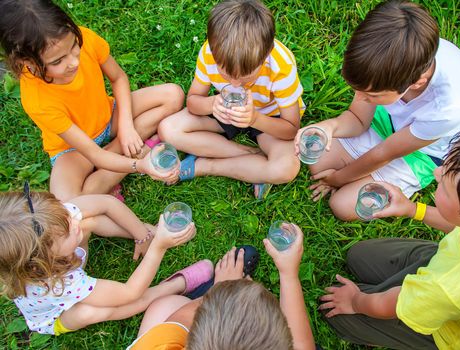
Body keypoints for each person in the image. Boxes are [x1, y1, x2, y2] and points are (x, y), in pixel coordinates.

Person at [318, 121, 460, 349]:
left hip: (445, 331)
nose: (436, 173)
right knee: (359, 256)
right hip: (443, 261)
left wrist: (356, 302)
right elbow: (458, 226)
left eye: (445, 185)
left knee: (339, 314)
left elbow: (388, 306)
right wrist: (412, 209)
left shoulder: (449, 288)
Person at [294, 0, 460, 220]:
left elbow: (384, 153)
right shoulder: (395, 57)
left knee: (343, 205)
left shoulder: (449, 107)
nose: (361, 98)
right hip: (388, 122)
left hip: (422, 152)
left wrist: (336, 179)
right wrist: (329, 126)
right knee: (317, 160)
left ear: (416, 83)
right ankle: (353, 169)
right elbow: (358, 118)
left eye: (371, 96)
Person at [0, 0, 184, 201]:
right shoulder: (36, 99)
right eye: (57, 61)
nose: (73, 62)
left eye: (74, 47)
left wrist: (125, 126)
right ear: (26, 62)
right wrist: (140, 166)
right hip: (73, 150)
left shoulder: (84, 37)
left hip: (109, 116)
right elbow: (93, 154)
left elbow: (118, 78)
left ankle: (114, 159)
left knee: (172, 95)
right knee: (68, 202)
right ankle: (129, 152)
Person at [0, 188, 214, 335]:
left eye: (65, 215)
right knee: (89, 312)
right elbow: (129, 292)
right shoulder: (59, 285)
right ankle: (175, 285)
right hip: (57, 314)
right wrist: (158, 247)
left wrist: (142, 234)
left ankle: (152, 235)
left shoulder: (52, 219)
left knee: (88, 222)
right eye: (65, 233)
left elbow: (106, 203)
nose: (73, 221)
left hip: (63, 261)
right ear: (46, 261)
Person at [159, 0, 304, 199]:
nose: (236, 85)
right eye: (226, 75)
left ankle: (206, 165)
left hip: (269, 118)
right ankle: (250, 156)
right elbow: (193, 101)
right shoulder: (210, 53)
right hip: (226, 109)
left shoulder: (281, 66)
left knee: (286, 168)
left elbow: (291, 128)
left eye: (246, 77)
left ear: (266, 55)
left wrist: (254, 119)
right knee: (168, 129)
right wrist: (212, 103)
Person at [127, 224, 316, 350]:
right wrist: (289, 275)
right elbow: (302, 345)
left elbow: (176, 320)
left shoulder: (162, 343)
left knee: (164, 307)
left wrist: (222, 286)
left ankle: (183, 288)